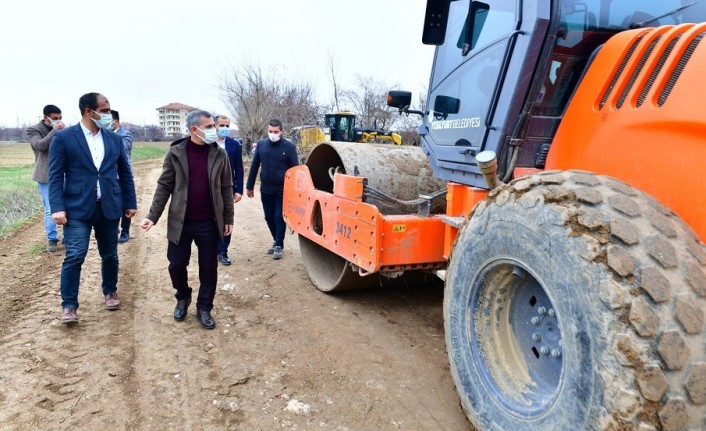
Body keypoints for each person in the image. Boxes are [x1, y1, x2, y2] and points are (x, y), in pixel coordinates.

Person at [48, 92, 137, 324]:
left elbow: (125, 173)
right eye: (105, 110)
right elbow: (55, 176)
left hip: (109, 206)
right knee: (75, 255)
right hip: (77, 208)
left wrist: (130, 202)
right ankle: (69, 306)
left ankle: (110, 292)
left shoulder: (114, 139)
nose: (109, 115)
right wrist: (57, 207)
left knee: (110, 254)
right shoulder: (64, 138)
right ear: (89, 111)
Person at [140, 110, 234, 330]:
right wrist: (152, 216)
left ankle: (204, 307)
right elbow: (164, 186)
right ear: (194, 129)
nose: (215, 130)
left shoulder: (220, 155)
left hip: (209, 222)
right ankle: (183, 297)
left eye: (214, 126)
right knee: (177, 264)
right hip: (181, 222)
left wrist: (228, 217)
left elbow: (227, 187)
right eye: (209, 126)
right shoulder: (176, 153)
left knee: (209, 269)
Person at [245, 119, 299, 260]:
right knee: (268, 217)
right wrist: (250, 186)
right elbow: (254, 166)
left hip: (283, 189)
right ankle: (277, 240)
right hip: (265, 189)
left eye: (276, 132)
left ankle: (278, 245)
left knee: (278, 217)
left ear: (281, 131)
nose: (273, 134)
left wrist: (295, 190)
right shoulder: (262, 145)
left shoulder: (289, 147)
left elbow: (295, 170)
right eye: (270, 131)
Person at [26, 105, 66, 252]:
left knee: (68, 206)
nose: (58, 121)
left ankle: (67, 236)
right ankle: (52, 239)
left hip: (64, 173)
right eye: (55, 118)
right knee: (51, 208)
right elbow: (40, 146)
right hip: (45, 175)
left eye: (60, 118)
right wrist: (55, 131)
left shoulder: (63, 129)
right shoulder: (34, 130)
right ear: (45, 117)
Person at [214, 115, 244, 266]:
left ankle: (223, 251)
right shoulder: (206, 143)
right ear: (214, 125)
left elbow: (239, 169)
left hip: (227, 189)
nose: (224, 128)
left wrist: (239, 190)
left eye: (227, 125)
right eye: (221, 125)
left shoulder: (234, 145)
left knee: (227, 219)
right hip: (208, 189)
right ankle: (211, 249)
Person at [110, 110, 134, 243]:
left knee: (126, 204)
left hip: (122, 175)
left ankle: (125, 231)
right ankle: (113, 229)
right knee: (112, 203)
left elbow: (122, 150)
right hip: (109, 176)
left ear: (116, 122)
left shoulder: (125, 134)